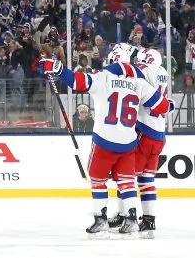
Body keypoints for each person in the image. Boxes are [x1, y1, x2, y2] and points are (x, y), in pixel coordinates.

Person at [41, 45, 168, 236]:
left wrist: (57, 68)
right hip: (129, 142)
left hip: (104, 141)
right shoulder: (139, 83)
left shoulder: (103, 78)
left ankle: (101, 219)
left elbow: (76, 80)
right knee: (127, 182)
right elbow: (162, 106)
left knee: (97, 180)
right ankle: (132, 220)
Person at [132, 47, 171, 237]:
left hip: (143, 130)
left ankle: (126, 217)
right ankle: (149, 219)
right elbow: (168, 104)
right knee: (147, 178)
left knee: (127, 177)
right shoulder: (163, 72)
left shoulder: (143, 70)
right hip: (159, 133)